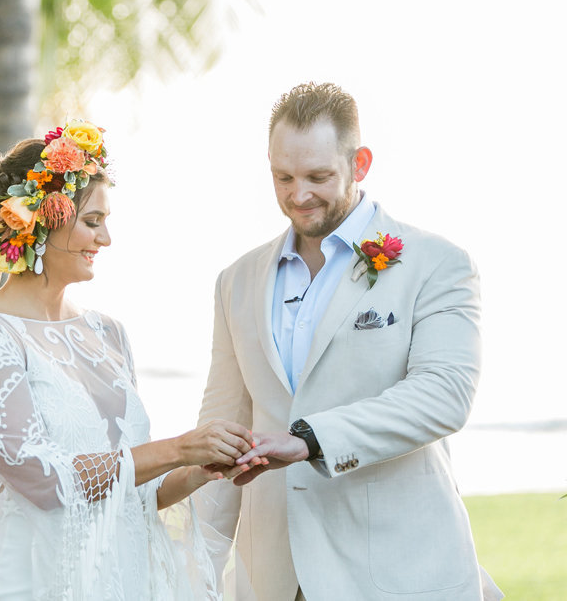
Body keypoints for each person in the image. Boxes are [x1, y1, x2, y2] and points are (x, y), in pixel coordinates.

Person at [195, 83, 503, 600]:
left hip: (398, 573)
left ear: (360, 163)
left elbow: (443, 396)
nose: (298, 195)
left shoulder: (437, 264)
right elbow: (221, 426)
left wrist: (310, 439)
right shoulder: (237, 280)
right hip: (274, 577)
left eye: (318, 177)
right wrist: (199, 567)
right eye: (282, 177)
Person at [0, 121, 260, 600]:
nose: (106, 238)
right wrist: (178, 447)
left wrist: (204, 464)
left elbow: (132, 491)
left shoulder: (107, 333)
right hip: (40, 581)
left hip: (127, 581)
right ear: (39, 220)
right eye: (92, 222)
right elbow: (41, 480)